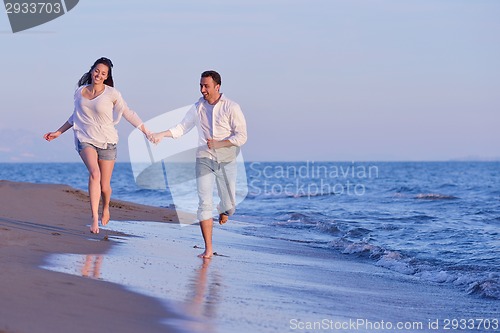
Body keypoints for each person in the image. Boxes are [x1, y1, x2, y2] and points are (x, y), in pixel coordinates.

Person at [44, 57, 154, 234]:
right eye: (97, 71)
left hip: (107, 141)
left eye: (103, 73)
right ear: (91, 70)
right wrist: (58, 132)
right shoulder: (80, 92)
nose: (99, 75)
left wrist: (147, 132)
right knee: (94, 173)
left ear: (107, 76)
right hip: (85, 138)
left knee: (105, 186)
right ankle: (94, 217)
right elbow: (75, 116)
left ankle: (106, 207)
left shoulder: (112, 94)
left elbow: (128, 113)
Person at [151, 70, 247, 258]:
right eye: (201, 85)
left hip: (227, 160)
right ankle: (208, 249)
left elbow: (242, 136)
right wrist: (162, 134)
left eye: (206, 86)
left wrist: (220, 143)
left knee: (230, 206)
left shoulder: (232, 107)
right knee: (204, 203)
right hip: (204, 159)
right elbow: (181, 128)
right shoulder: (198, 108)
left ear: (217, 87)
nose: (202, 89)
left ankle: (224, 209)